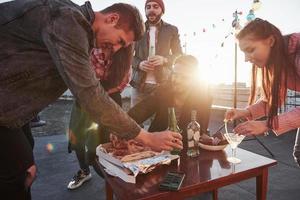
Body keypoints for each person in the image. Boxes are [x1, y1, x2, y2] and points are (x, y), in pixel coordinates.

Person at [0, 1, 182, 199]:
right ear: (112, 19)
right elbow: (88, 91)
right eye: (120, 41)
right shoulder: (68, 20)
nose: (116, 49)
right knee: (21, 174)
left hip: (13, 113)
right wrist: (147, 138)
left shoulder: (74, 22)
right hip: (6, 109)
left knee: (25, 163)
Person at [224, 18, 300, 165]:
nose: (246, 59)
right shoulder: (276, 60)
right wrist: (245, 112)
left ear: (270, 41)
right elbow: (273, 100)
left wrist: (268, 124)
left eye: (250, 50)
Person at [67, 46, 132, 190]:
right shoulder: (90, 43)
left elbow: (124, 81)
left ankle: (116, 181)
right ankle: (84, 171)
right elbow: (80, 73)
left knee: (102, 144)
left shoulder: (125, 52)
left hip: (110, 99)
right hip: (85, 97)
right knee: (77, 137)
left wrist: (101, 94)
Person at [128, 55, 213, 142]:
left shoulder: (203, 99)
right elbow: (137, 113)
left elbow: (201, 129)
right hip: (156, 146)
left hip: (186, 148)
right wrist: (120, 129)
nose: (177, 80)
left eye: (184, 77)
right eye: (175, 75)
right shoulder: (163, 91)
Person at [130, 0, 182, 107]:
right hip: (138, 85)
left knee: (160, 122)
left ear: (162, 10)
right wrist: (139, 64)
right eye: (148, 7)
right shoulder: (136, 29)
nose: (151, 10)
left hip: (163, 85)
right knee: (134, 120)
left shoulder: (172, 30)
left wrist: (164, 60)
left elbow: (179, 56)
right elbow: (128, 55)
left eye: (155, 6)